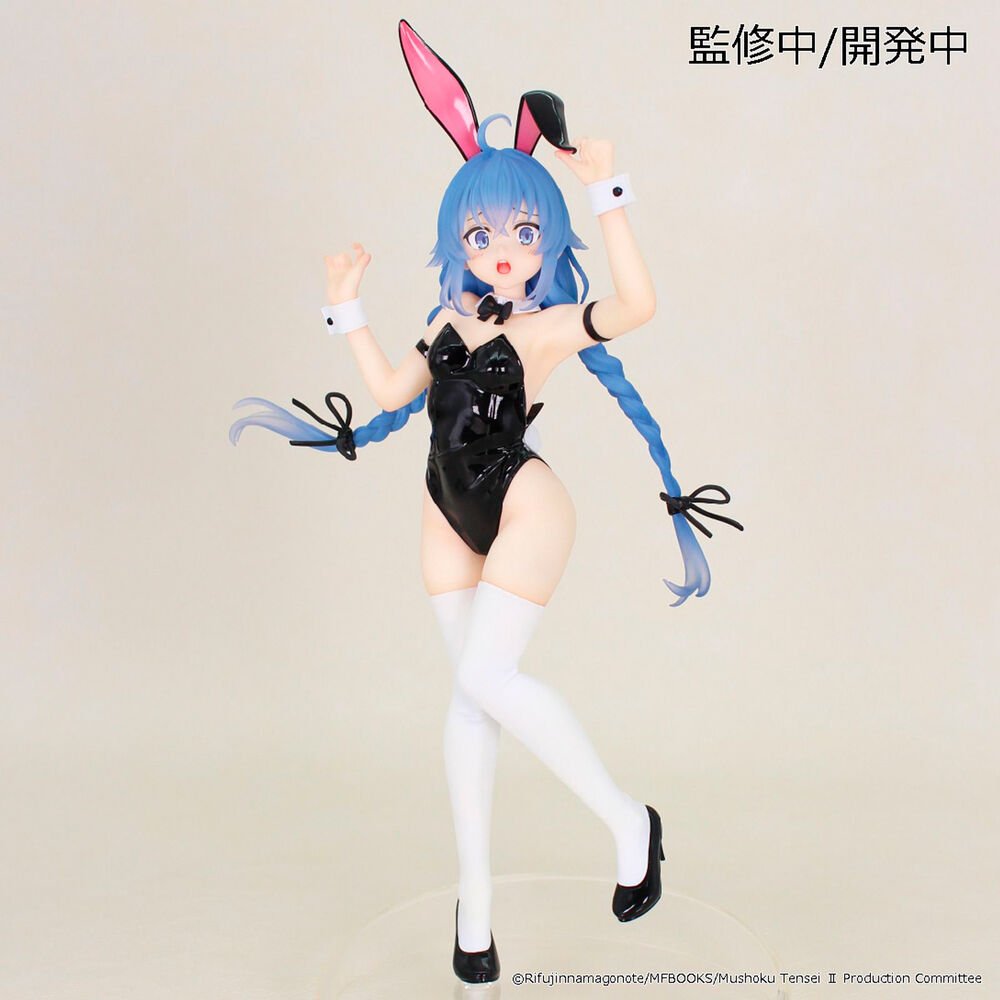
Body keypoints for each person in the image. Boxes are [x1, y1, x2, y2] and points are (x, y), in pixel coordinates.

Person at [230, 19, 741, 986]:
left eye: (523, 232)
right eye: (481, 234)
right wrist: (347, 308)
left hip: (523, 502)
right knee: (470, 697)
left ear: (544, 237)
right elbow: (392, 393)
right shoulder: (445, 319)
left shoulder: (547, 327)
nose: (503, 250)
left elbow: (638, 306)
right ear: (458, 241)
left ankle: (629, 823)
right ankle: (475, 908)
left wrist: (606, 192)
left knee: (486, 680)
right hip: (442, 507)